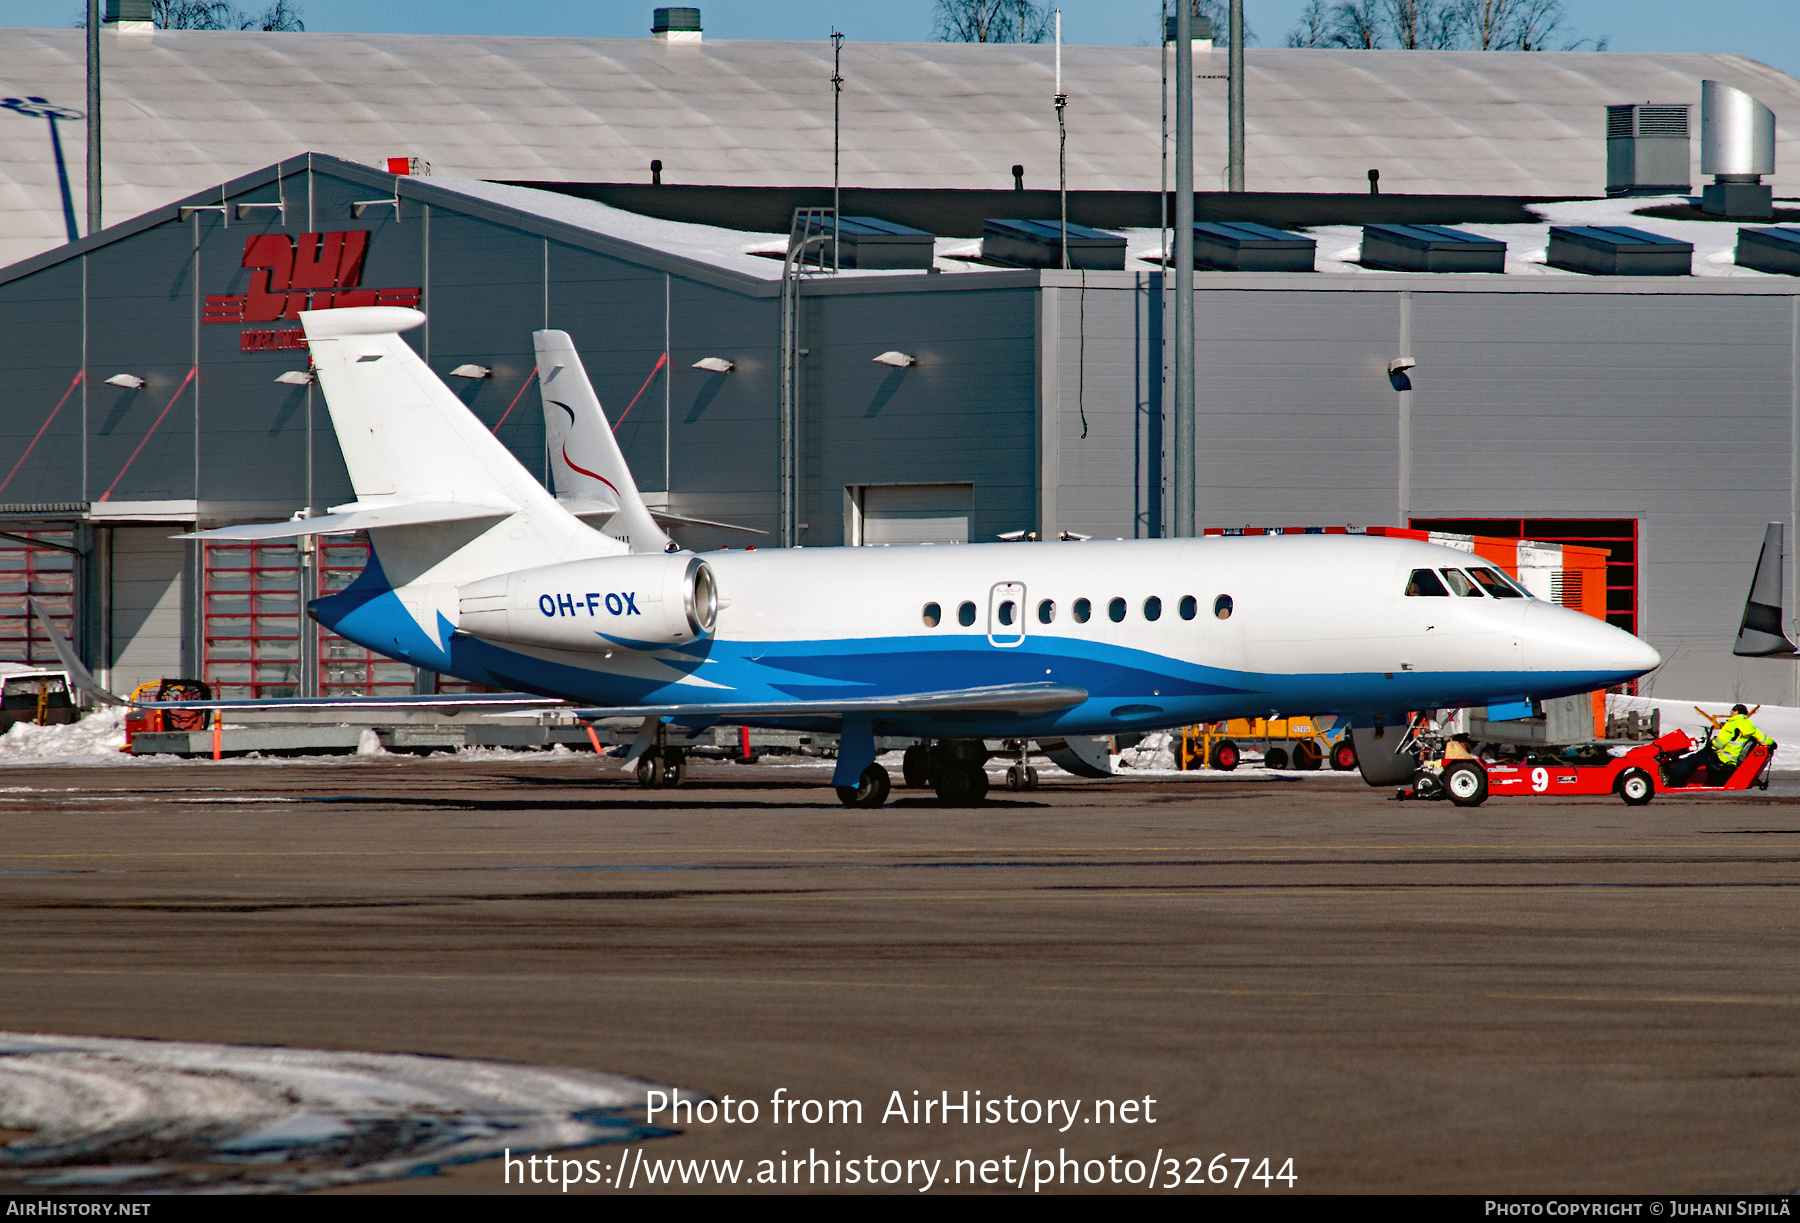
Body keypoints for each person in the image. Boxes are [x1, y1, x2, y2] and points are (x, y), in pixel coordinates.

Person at [1663, 704, 1773, 787]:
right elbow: (1763, 739)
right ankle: (1681, 776)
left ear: (1737, 712)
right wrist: (1772, 744)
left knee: (1693, 758)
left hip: (1723, 757)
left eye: (1733, 709)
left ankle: (1674, 780)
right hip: (1732, 756)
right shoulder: (1749, 725)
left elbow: (1721, 743)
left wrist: (1713, 743)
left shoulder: (1731, 724)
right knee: (1702, 755)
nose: (1731, 711)